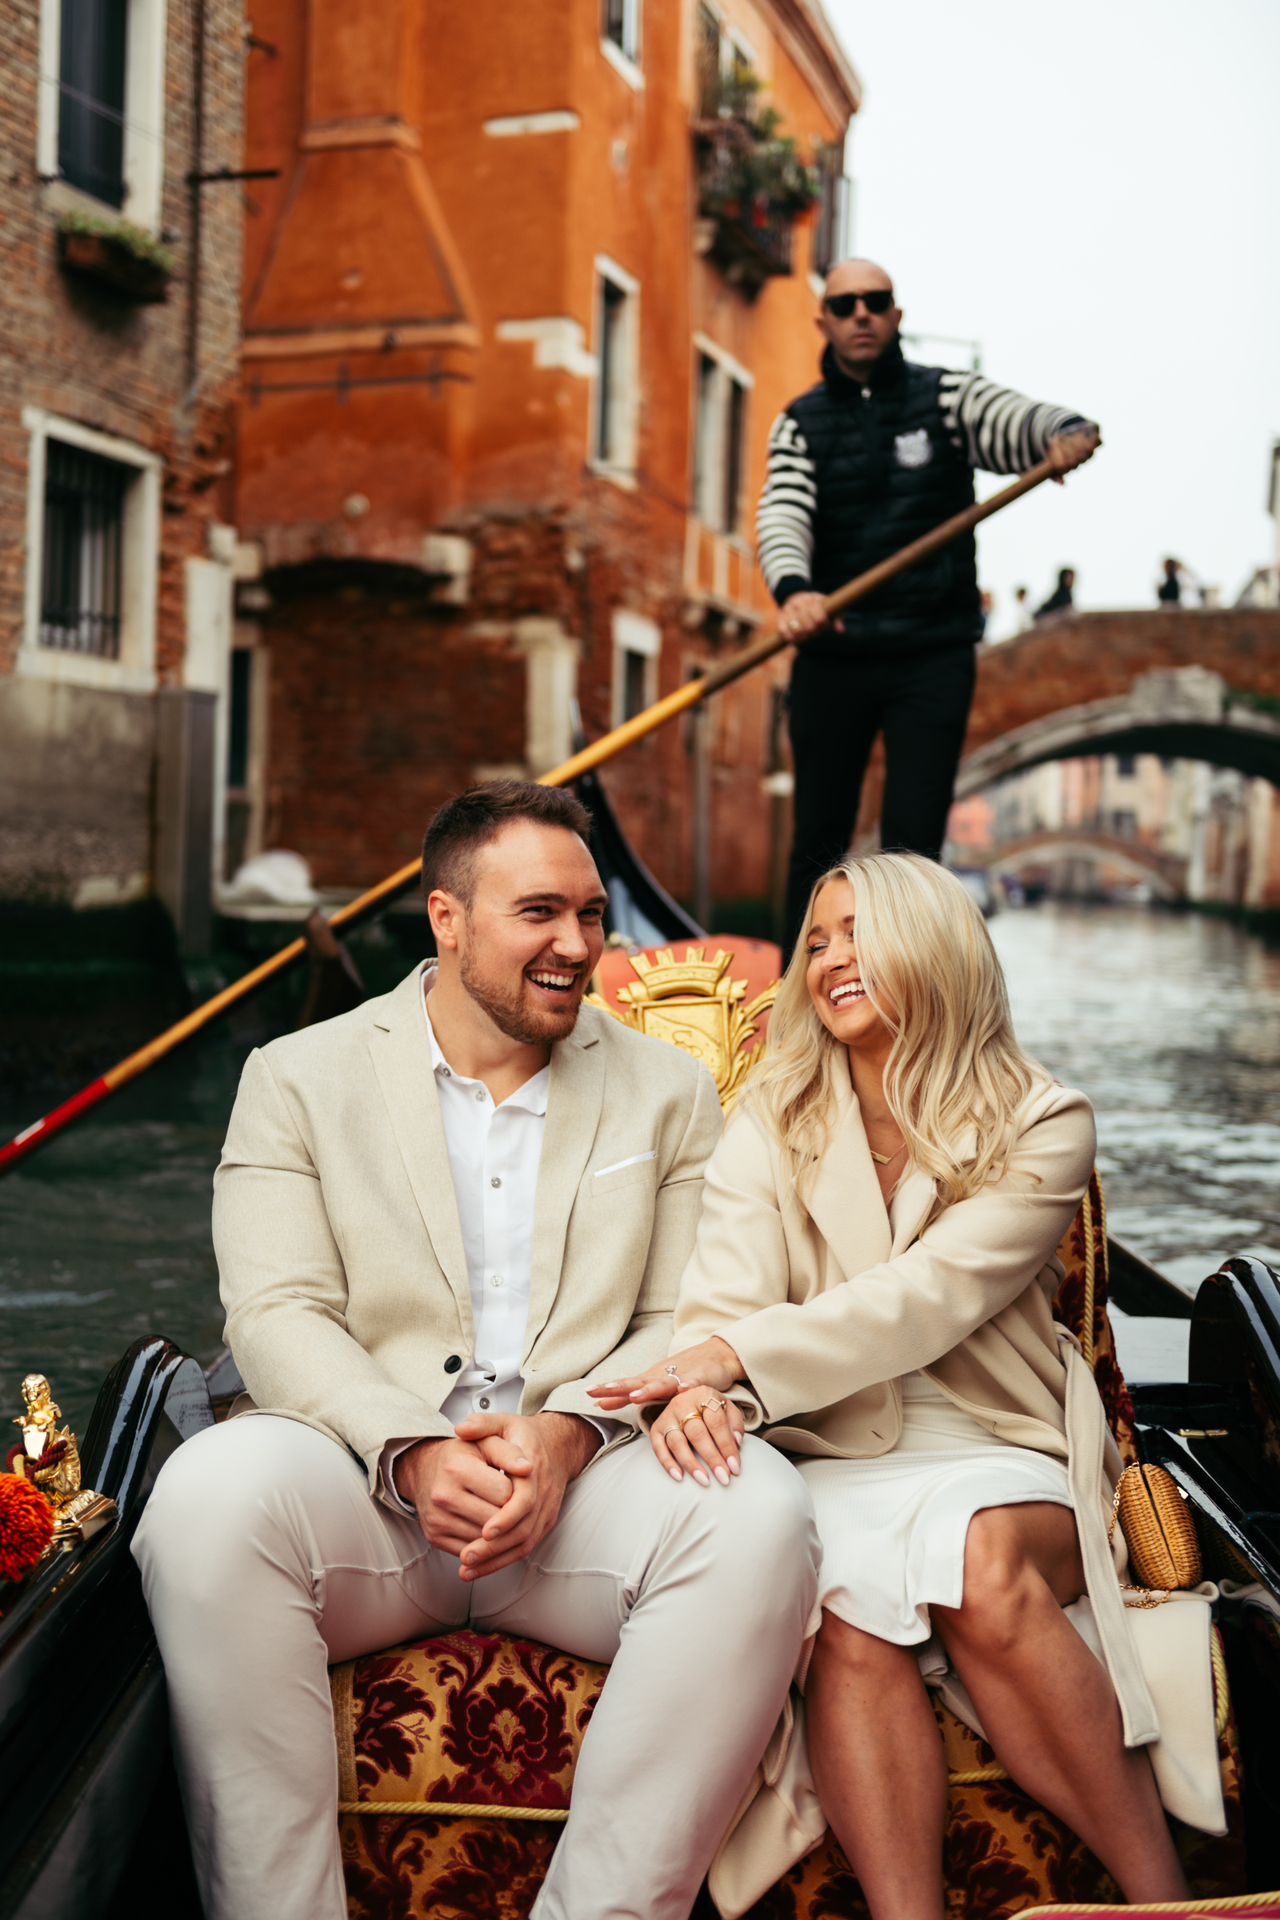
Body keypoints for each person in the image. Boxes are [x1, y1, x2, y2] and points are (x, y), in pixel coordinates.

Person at [131, 780, 820, 1920]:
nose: (576, 946)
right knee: (204, 1497)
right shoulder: (295, 1079)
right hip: (369, 1494)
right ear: (444, 919)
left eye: (592, 916)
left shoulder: (667, 1089)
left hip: (579, 1495)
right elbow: (277, 1314)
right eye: (537, 913)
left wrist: (562, 1436)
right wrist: (408, 1449)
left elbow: (683, 1313)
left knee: (759, 1517)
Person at [592, 852, 1198, 1919]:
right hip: (822, 1439)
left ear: (932, 943)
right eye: (815, 940)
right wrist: (700, 1390)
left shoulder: (1040, 1119)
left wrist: (732, 1363)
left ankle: (1159, 1901)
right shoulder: (771, 1119)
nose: (828, 959)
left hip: (994, 1432)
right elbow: (722, 1297)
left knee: (973, 1558)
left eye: (855, 933)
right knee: (843, 1605)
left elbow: (927, 1297)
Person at [756, 258, 1099, 952]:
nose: (861, 314)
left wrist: (1063, 429)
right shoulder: (801, 424)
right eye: (845, 303)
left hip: (930, 653)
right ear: (823, 320)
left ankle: (906, 991)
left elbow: (1021, 422)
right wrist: (794, 591)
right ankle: (797, 1000)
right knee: (817, 842)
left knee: (914, 849)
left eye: (875, 302)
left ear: (896, 316)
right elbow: (783, 514)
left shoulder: (946, 399)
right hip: (835, 648)